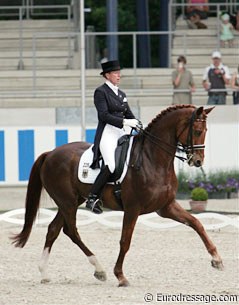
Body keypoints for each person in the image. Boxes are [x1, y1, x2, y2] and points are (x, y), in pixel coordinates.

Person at [86, 60, 141, 214]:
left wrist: (137, 123)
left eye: (119, 72)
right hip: (107, 133)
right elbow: (103, 115)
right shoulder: (101, 92)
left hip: (122, 132)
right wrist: (125, 121)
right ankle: (92, 197)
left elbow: (129, 114)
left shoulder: (121, 94)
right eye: (115, 73)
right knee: (110, 165)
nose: (119, 75)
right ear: (107, 75)